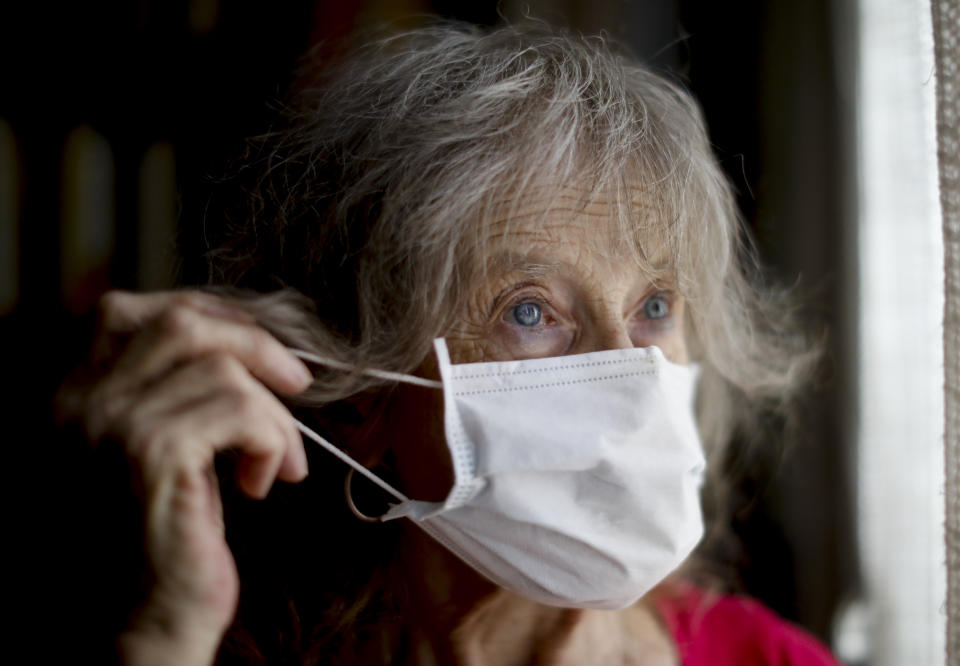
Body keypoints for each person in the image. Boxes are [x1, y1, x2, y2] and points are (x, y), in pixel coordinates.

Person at [56, 21, 839, 665]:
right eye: (530, 312)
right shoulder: (196, 645)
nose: (629, 368)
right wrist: (161, 640)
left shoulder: (771, 659)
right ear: (359, 386)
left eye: (655, 304)